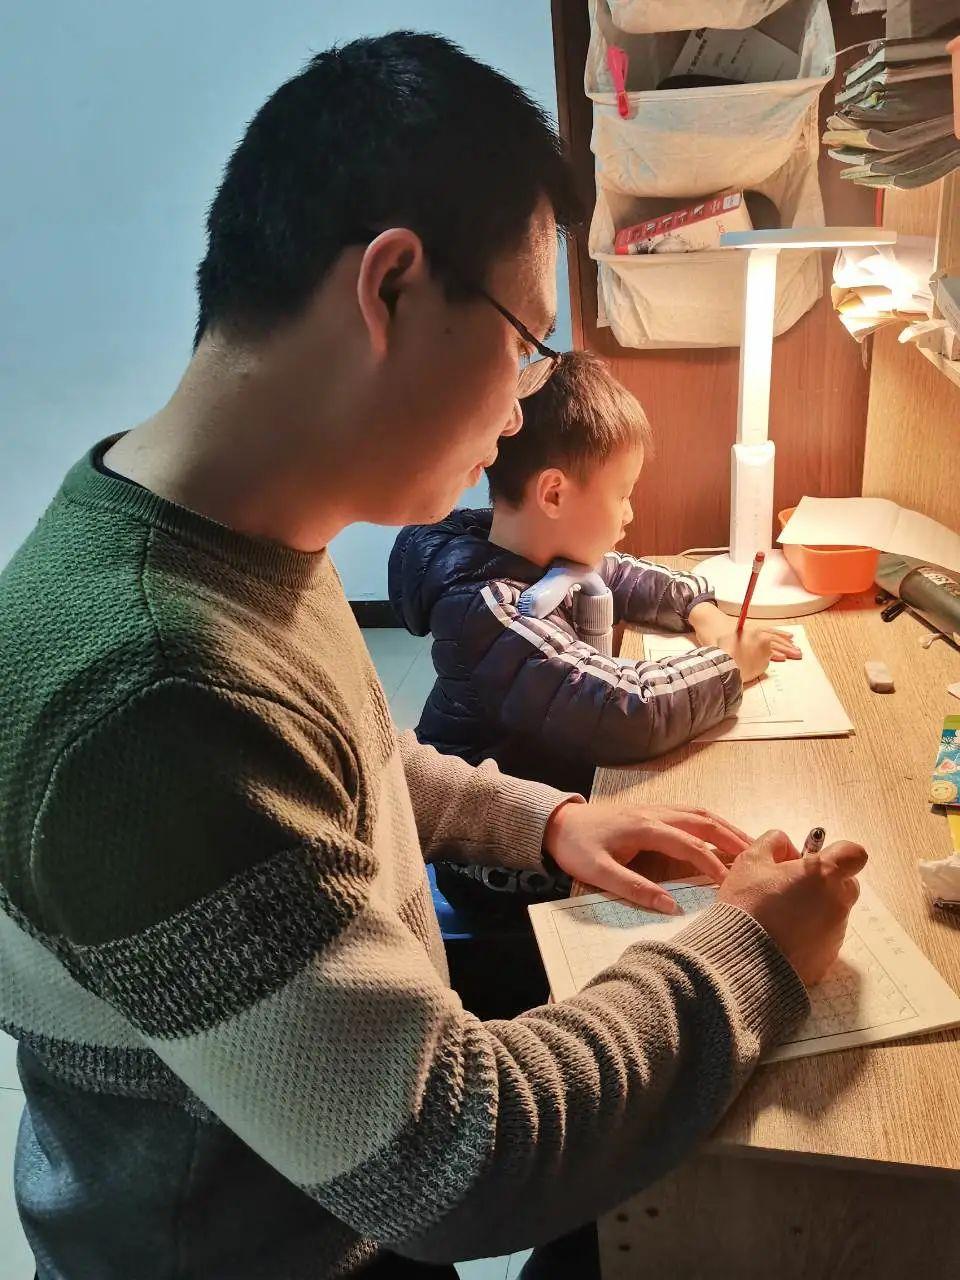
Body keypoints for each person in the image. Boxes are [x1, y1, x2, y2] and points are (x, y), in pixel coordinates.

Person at [0, 31, 866, 1280]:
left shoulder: (225, 529)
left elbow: (343, 758)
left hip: (336, 1197)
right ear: (393, 287)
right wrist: (752, 952)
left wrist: (546, 820)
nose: (519, 410)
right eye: (525, 344)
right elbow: (449, 1157)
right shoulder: (149, 694)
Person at [389, 351, 801, 918]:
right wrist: (728, 666)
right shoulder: (489, 610)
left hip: (560, 790)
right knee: (699, 893)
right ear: (554, 494)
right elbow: (623, 710)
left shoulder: (534, 548)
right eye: (623, 493)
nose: (629, 513)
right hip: (501, 864)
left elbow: (621, 573)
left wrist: (701, 610)